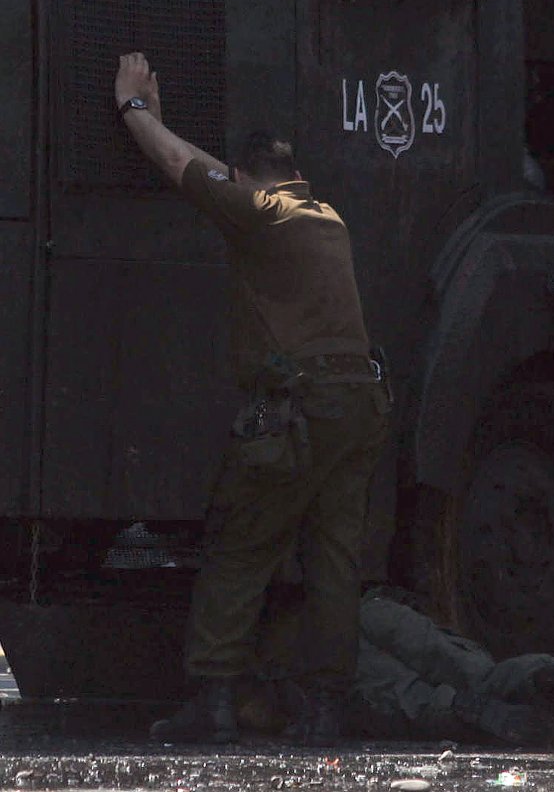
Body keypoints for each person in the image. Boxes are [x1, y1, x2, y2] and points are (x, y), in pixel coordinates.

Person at [113, 52, 390, 745]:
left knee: (240, 545)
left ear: (246, 177)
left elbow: (182, 168)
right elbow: (219, 174)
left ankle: (213, 701)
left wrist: (135, 110)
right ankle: (328, 710)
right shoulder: (324, 214)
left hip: (296, 407)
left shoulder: (260, 213)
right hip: (359, 406)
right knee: (333, 557)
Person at [240, 585, 554, 746]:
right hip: (364, 604)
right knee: (476, 672)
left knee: (402, 697)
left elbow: (254, 708)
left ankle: (468, 713)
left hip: (298, 647)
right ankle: (547, 673)